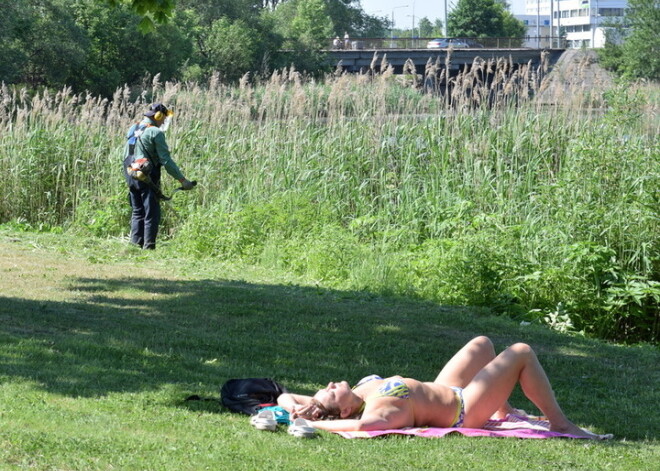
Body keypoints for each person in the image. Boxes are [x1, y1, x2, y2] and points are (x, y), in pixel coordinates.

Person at [277, 336, 606, 439]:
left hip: (445, 389)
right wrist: (317, 424)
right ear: (344, 409)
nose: (332, 384)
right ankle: (560, 423)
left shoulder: (359, 393)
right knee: (520, 352)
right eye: (331, 391)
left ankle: (504, 409)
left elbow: (288, 397)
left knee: (482, 344)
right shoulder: (381, 411)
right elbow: (363, 426)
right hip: (464, 410)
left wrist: (297, 412)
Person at [123, 103, 195, 250]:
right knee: (152, 212)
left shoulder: (133, 127)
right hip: (146, 174)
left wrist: (131, 172)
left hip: (130, 173)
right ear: (158, 116)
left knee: (137, 211)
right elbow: (166, 161)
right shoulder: (156, 132)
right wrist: (182, 180)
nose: (164, 122)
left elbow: (125, 154)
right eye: (164, 119)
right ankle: (148, 247)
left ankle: (135, 245)